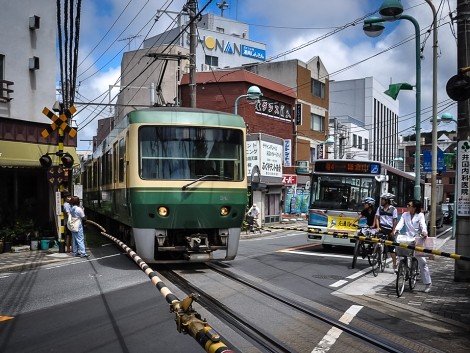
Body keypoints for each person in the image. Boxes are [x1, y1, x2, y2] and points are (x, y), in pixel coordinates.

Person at [392, 199, 432, 293]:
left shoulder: (420, 215)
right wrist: (396, 230)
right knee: (400, 252)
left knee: (422, 262)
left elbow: (423, 225)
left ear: (414, 207)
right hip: (407, 238)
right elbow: (400, 224)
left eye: (409, 205)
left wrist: (424, 232)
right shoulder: (405, 215)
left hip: (418, 238)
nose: (407, 206)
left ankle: (428, 283)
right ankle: (401, 268)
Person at [374, 193, 398, 270]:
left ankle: (394, 264)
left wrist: (393, 231)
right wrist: (377, 227)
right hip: (382, 228)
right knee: (377, 239)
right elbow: (377, 218)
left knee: (391, 248)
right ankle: (376, 253)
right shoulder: (379, 208)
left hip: (389, 229)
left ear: (387, 201)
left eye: (383, 200)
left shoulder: (393, 209)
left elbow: (395, 220)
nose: (381, 201)